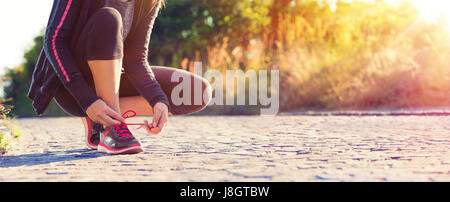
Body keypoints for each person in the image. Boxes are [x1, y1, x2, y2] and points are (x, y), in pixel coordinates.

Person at [27, 0, 212, 155]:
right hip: (72, 88)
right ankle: (111, 130)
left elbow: (135, 59)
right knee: (109, 17)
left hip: (111, 77)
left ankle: (102, 117)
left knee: (196, 92)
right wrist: (87, 99)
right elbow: (53, 41)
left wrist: (158, 100)